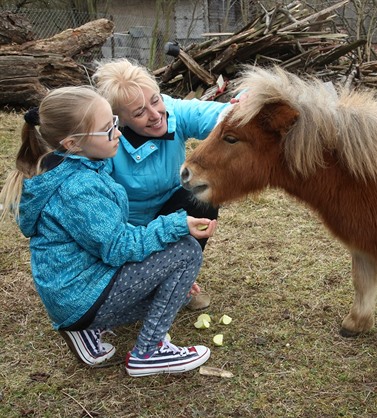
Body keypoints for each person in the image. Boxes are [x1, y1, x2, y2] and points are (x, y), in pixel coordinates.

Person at [0, 86, 217, 377]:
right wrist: (176, 225)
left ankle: (86, 329)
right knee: (187, 250)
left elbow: (107, 234)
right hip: (81, 298)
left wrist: (170, 278)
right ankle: (148, 353)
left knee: (172, 274)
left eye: (114, 123)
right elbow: (118, 247)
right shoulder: (78, 188)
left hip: (74, 298)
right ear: (73, 143)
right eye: (106, 129)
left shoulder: (76, 167)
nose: (117, 133)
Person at [92, 58, 233, 310]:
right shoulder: (106, 144)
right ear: (119, 121)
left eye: (155, 100)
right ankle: (149, 281)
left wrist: (242, 107)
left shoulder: (171, 111)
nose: (156, 114)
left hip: (169, 214)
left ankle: (177, 277)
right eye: (139, 112)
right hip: (126, 233)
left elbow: (211, 115)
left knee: (204, 193)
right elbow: (104, 225)